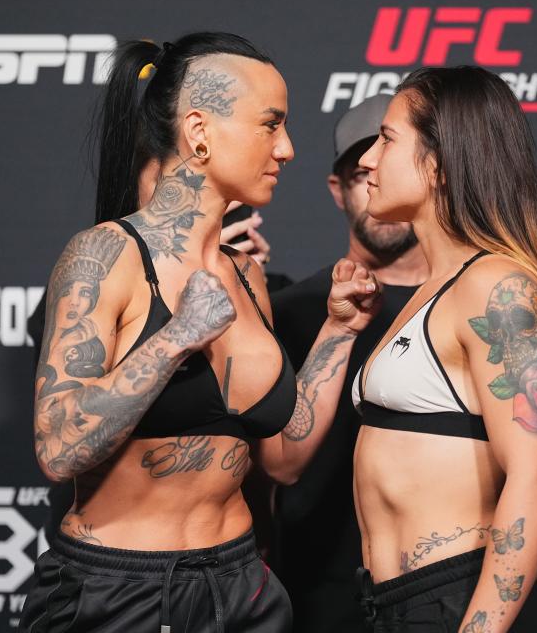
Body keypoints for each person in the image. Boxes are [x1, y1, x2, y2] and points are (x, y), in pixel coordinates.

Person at [19, 33, 381, 633]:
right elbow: (58, 449)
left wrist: (339, 332)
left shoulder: (247, 276)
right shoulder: (106, 256)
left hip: (242, 587)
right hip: (119, 590)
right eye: (271, 125)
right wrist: (174, 338)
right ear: (199, 131)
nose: (287, 148)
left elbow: (284, 460)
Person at [271, 94, 537, 632]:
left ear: (436, 164)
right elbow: (282, 460)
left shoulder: (497, 286)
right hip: (392, 605)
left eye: (386, 141)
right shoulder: (430, 291)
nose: (366, 162)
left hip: (456, 600)